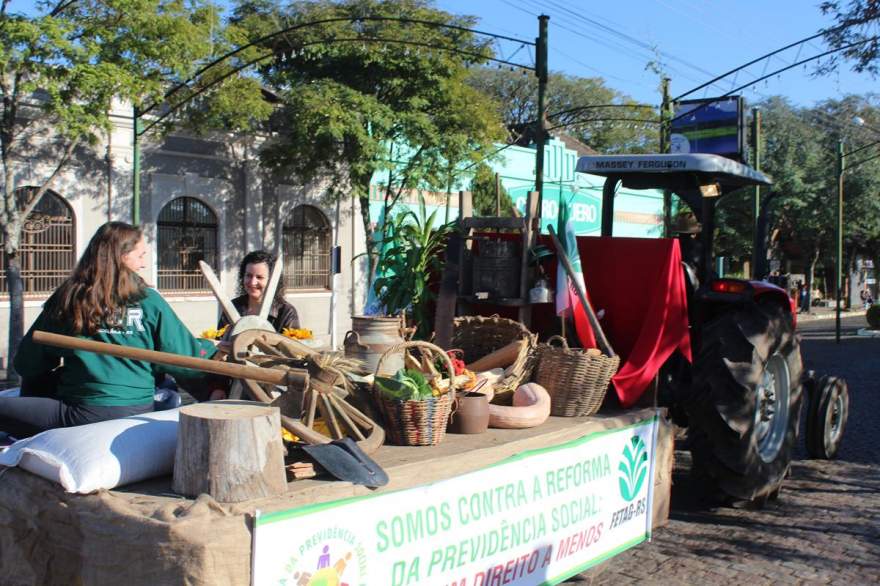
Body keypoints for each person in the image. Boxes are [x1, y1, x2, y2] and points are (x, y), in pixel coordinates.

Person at [0, 222, 216, 440]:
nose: (144, 264)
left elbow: (27, 363)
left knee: (33, 383)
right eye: (140, 256)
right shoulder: (150, 301)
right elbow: (183, 359)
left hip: (81, 413)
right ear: (122, 256)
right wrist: (210, 358)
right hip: (137, 407)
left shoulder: (69, 298)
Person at [218, 250, 300, 332]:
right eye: (249, 276)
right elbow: (218, 340)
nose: (253, 282)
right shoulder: (232, 307)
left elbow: (291, 343)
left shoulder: (286, 312)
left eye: (259, 277)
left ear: (272, 281)